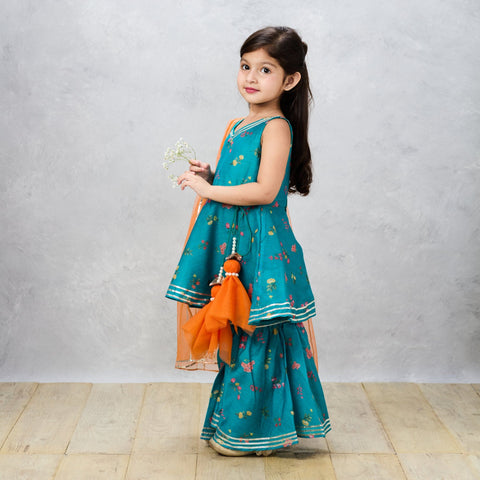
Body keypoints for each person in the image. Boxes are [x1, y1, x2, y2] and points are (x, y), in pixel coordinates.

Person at [166, 26, 331, 456]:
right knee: (235, 328)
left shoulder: (276, 127)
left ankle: (254, 434)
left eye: (265, 69)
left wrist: (208, 191)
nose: (251, 77)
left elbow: (264, 191)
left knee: (260, 330)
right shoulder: (237, 125)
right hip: (236, 246)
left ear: (289, 80)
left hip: (264, 247)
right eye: (245, 66)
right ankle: (240, 427)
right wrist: (211, 176)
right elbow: (237, 181)